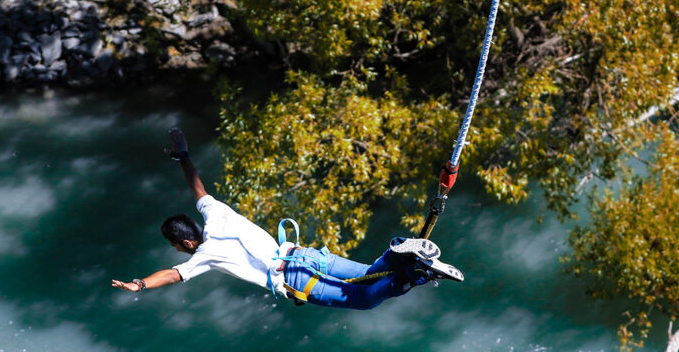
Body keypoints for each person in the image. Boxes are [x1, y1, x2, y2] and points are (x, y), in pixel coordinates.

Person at [111, 128, 463, 310]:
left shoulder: (204, 256)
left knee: (365, 298)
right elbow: (197, 188)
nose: (177, 252)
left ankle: (414, 267)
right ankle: (404, 255)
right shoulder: (215, 213)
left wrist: (140, 284)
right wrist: (183, 155)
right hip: (302, 254)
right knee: (368, 274)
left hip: (295, 277)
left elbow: (173, 275)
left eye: (175, 246)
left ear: (186, 242)